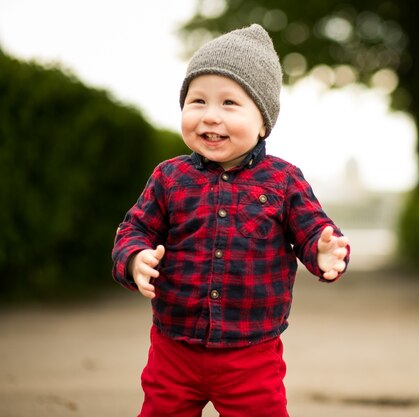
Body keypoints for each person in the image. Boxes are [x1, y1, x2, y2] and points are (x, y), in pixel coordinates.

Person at [111, 24, 350, 417]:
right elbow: (134, 228)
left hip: (251, 353)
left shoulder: (283, 179)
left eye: (229, 104)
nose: (211, 117)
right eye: (198, 101)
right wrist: (135, 258)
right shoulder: (169, 177)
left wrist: (324, 253)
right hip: (174, 347)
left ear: (262, 121)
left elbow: (312, 230)